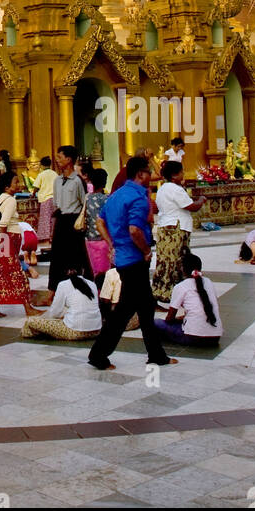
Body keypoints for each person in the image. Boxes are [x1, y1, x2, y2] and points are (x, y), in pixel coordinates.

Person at [87, 156, 175, 372]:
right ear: (141, 174)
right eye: (148, 172)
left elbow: (100, 221)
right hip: (135, 259)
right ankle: (98, 354)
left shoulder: (116, 196)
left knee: (144, 308)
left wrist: (112, 244)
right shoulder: (138, 197)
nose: (150, 176)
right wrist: (146, 251)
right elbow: (135, 230)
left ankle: (155, 354)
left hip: (124, 258)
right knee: (125, 311)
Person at [0, 172, 39, 319]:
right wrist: (2, 243)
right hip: (6, 239)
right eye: (15, 182)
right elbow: (3, 223)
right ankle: (28, 308)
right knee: (16, 273)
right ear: (7, 186)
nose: (19, 185)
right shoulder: (10, 200)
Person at [152, 161, 204, 302]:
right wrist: (201, 200)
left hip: (166, 226)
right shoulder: (175, 189)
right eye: (182, 172)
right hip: (176, 228)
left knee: (165, 259)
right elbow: (192, 206)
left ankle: (160, 288)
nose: (183, 174)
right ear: (174, 175)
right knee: (176, 259)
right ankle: (172, 291)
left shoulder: (163, 188)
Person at [21, 265, 101, 341]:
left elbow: (54, 313)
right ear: (83, 270)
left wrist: (62, 316)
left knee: (30, 321)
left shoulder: (63, 284)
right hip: (96, 330)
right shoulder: (92, 284)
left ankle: (31, 334)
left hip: (75, 332)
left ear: (67, 271)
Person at [157, 253, 222, 347]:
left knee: (156, 322)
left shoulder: (181, 286)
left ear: (183, 270)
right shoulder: (208, 282)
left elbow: (170, 318)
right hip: (215, 338)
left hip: (193, 337)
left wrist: (176, 320)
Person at [47, 146, 87, 298]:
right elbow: (56, 203)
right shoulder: (57, 180)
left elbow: (84, 204)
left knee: (73, 257)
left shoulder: (78, 181)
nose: (57, 161)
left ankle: (74, 293)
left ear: (69, 160)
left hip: (74, 221)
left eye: (60, 157)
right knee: (57, 257)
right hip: (61, 220)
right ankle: (52, 292)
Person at [84, 167, 111, 280]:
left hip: (90, 239)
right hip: (104, 239)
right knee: (105, 271)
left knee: (95, 270)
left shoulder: (86, 198)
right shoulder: (106, 199)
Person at [32, 156, 57, 242]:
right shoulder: (54, 173)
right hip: (54, 199)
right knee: (54, 218)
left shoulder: (41, 175)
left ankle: (46, 237)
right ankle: (53, 236)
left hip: (45, 198)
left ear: (42, 165)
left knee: (45, 218)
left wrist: (32, 194)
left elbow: (36, 187)